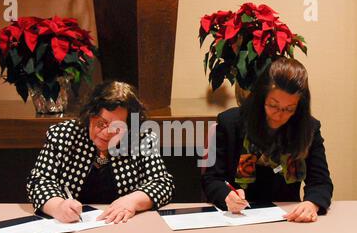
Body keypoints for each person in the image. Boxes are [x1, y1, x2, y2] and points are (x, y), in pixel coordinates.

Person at [202, 57, 333, 223]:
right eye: (273, 105)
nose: (279, 114)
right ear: (261, 98)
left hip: (287, 219)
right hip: (237, 219)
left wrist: (311, 203)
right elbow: (212, 179)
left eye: (288, 109)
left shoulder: (308, 129)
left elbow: (321, 182)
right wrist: (226, 195)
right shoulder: (231, 123)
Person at [27, 81, 174, 223]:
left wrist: (132, 201)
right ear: (90, 115)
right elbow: (39, 181)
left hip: (123, 226)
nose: (107, 133)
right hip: (73, 227)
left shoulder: (141, 138)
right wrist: (57, 206)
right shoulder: (64, 135)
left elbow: (162, 183)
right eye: (101, 123)